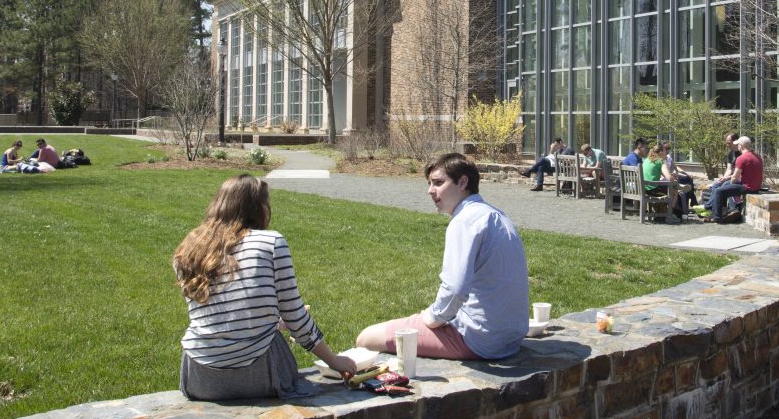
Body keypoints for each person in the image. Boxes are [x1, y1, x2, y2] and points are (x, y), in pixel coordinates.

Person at [173, 174, 358, 401]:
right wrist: (335, 361)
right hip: (259, 375)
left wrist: (269, 320)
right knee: (275, 343)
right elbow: (296, 318)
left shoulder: (189, 250)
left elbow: (217, 316)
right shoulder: (271, 243)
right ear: (258, 208)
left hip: (200, 378)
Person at [357, 153, 529, 360]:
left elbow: (455, 289)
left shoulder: (465, 221)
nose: (430, 191)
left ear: (463, 182)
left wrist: (431, 318)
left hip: (481, 340)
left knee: (366, 338)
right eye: (429, 183)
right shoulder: (497, 215)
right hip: (511, 337)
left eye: (438, 183)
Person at [708, 136, 764, 223]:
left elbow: (735, 177)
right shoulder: (757, 157)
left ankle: (717, 217)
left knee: (718, 191)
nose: (737, 146)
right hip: (756, 187)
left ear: (741, 146)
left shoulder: (741, 158)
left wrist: (731, 183)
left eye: (737, 145)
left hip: (747, 188)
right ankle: (728, 211)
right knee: (725, 186)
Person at [662, 141, 696, 214]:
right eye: (666, 148)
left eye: (669, 148)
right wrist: (673, 175)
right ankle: (693, 201)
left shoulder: (668, 158)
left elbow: (676, 167)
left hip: (671, 176)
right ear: (662, 149)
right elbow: (663, 173)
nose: (668, 150)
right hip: (667, 179)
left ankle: (693, 200)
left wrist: (686, 173)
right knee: (687, 181)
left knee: (688, 178)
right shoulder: (660, 160)